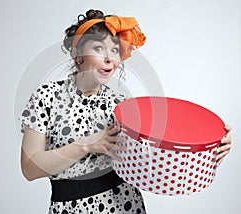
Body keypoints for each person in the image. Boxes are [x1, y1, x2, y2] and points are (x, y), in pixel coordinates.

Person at [18, 9, 232, 214]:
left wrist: (208, 154)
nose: (110, 58)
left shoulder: (123, 106)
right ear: (77, 53)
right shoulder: (46, 97)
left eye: (115, 50)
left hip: (125, 205)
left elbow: (153, 164)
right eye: (99, 49)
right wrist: (86, 145)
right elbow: (30, 169)